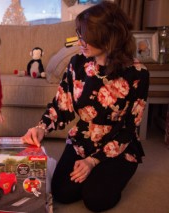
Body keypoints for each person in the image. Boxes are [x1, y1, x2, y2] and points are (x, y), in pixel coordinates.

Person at [21, 1, 149, 212]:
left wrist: (93, 162)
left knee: (96, 201)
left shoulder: (138, 73)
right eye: (80, 35)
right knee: (62, 192)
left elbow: (129, 127)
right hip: (83, 139)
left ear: (109, 37)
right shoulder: (77, 63)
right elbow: (63, 105)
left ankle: (111, 174)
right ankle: (94, 176)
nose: (80, 41)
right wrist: (41, 127)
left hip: (117, 145)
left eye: (86, 37)